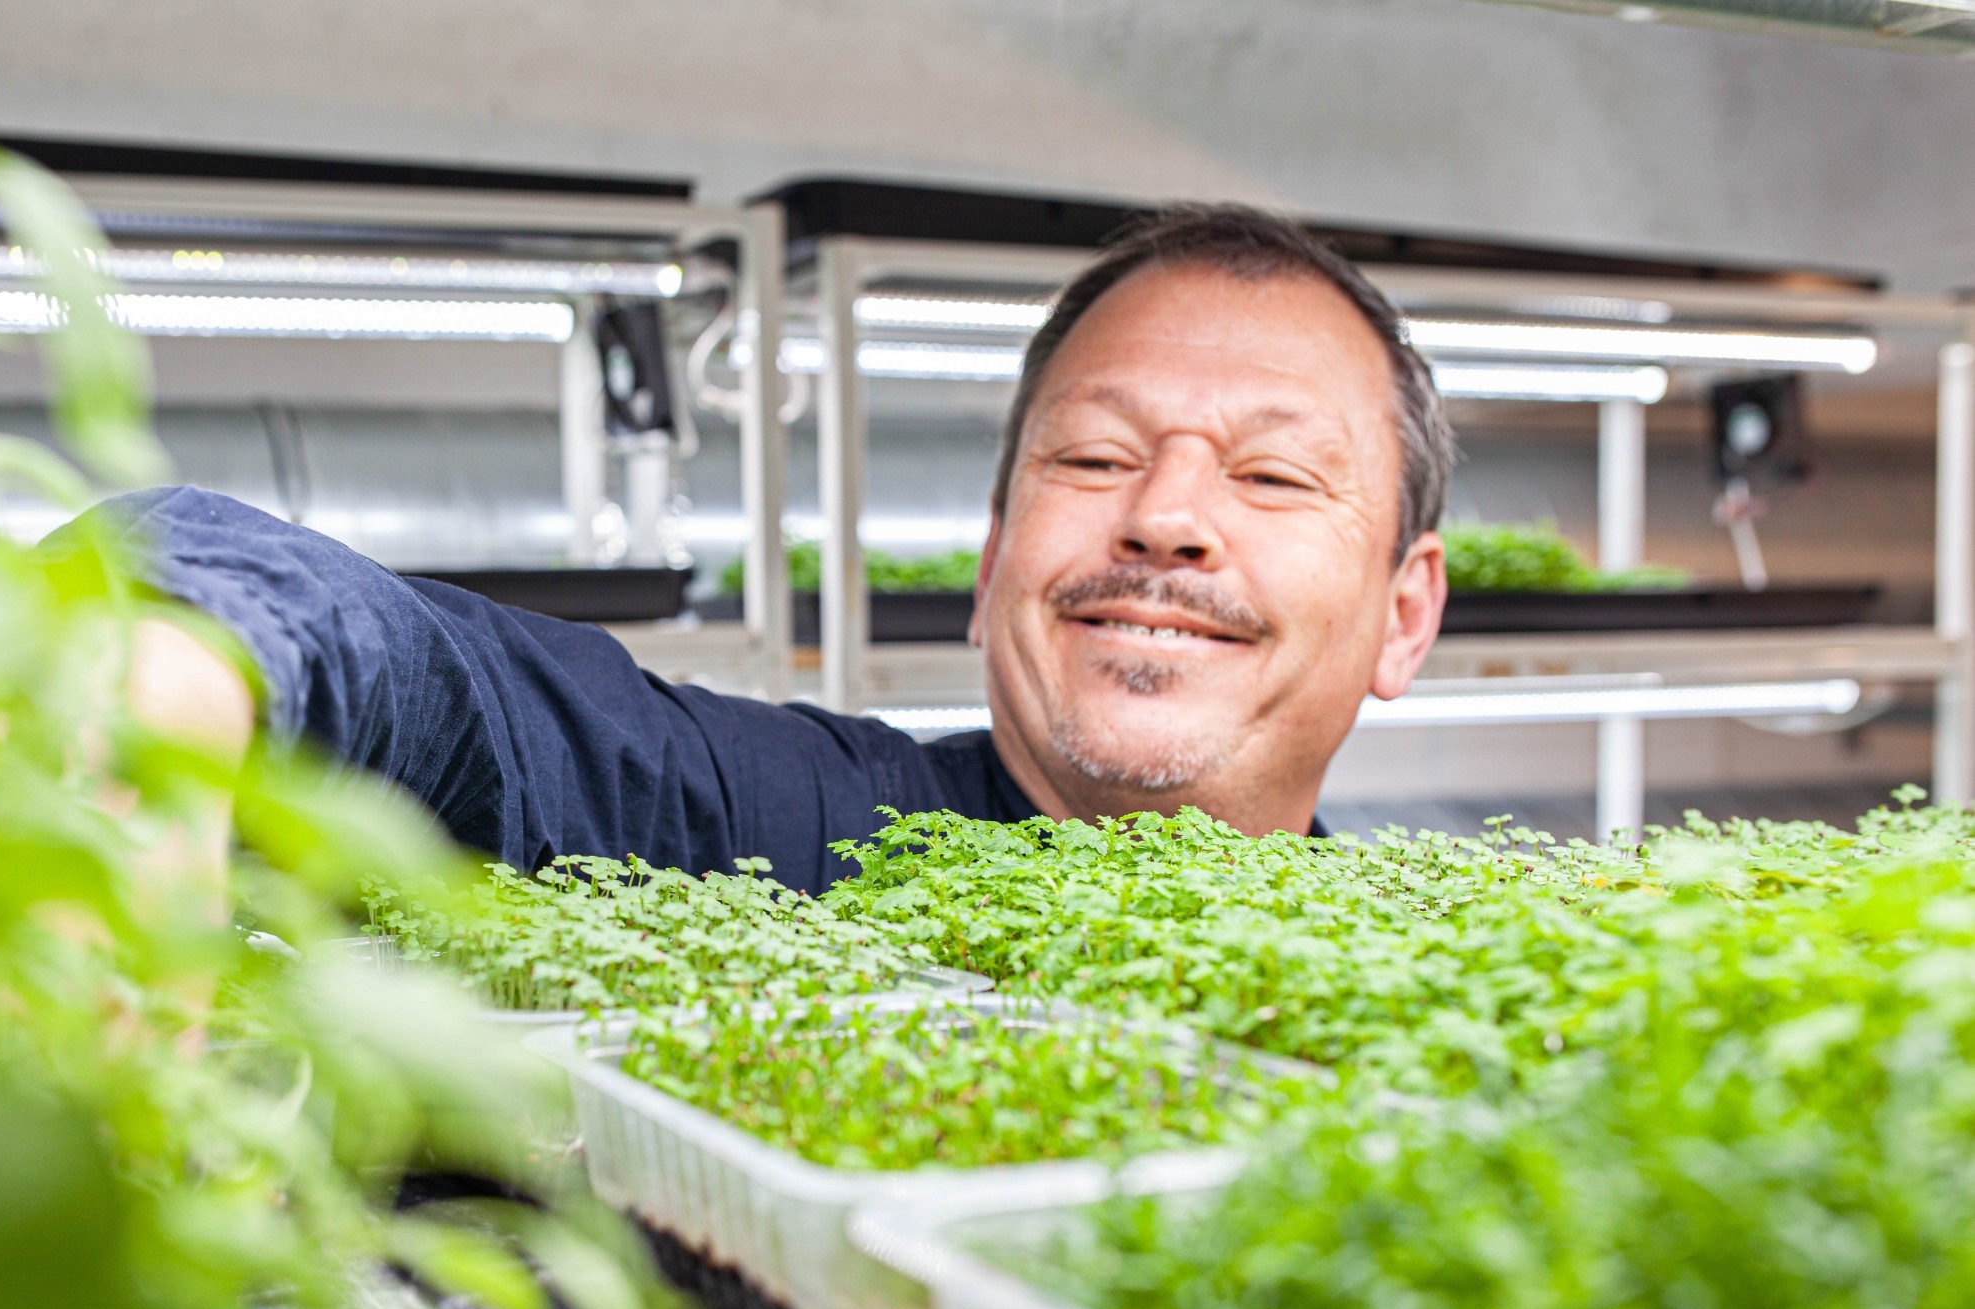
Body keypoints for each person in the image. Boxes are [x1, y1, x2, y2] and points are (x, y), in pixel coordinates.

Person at [87, 203, 1455, 894]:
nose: (1162, 518)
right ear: (991, 569)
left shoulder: (1460, 984)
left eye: (1272, 474)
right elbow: (455, 695)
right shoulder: (805, 839)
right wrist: (174, 655)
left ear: (1407, 616)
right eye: (1093, 459)